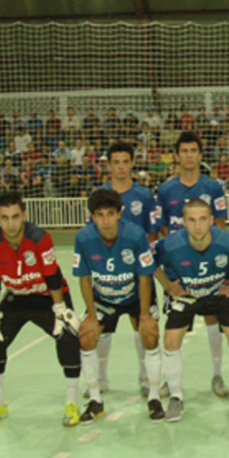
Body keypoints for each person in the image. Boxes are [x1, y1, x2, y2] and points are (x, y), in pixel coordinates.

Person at [0, 192, 82, 427]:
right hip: (17, 297)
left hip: (48, 296)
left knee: (67, 337)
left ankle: (71, 403)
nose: (11, 223)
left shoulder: (39, 238)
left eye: (15, 216)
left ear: (24, 215)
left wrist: (59, 308)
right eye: (5, 218)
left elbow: (52, 274)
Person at [153, 199, 229, 423]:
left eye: (202, 219)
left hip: (220, 292)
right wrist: (167, 285)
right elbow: (148, 260)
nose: (197, 226)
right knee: (170, 341)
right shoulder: (170, 244)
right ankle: (176, 396)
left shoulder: (227, 241)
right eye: (191, 220)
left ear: (210, 220)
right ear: (183, 222)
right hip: (186, 294)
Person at [73, 189, 163, 424]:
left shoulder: (135, 235)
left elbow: (145, 276)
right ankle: (95, 399)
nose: (105, 220)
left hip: (135, 295)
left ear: (119, 214)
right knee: (86, 335)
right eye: (100, 215)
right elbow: (84, 278)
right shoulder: (83, 238)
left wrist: (144, 314)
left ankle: (153, 396)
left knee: (150, 333)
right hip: (104, 297)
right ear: (92, 216)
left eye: (110, 214)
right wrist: (91, 315)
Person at [155, 132, 229, 397]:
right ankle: (169, 379)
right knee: (176, 323)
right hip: (179, 269)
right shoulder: (165, 190)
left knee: (212, 317)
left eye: (193, 151)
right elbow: (163, 228)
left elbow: (220, 224)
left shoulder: (213, 188)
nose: (188, 155)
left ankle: (217, 375)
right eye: (183, 151)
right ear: (177, 156)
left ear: (200, 155)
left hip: (209, 268)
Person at [89, 141, 160, 396]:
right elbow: (92, 234)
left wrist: (144, 267)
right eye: (115, 162)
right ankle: (101, 378)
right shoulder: (99, 194)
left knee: (141, 324)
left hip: (138, 275)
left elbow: (152, 236)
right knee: (103, 328)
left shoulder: (143, 196)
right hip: (109, 274)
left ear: (132, 163)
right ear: (109, 165)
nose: (120, 167)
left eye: (125, 162)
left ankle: (144, 378)